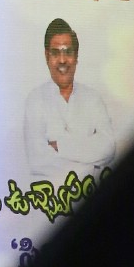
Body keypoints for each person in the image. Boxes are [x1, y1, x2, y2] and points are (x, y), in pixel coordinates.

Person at [23, 17, 116, 171]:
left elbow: (108, 148)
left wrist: (59, 145)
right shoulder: (35, 100)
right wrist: (89, 157)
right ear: (47, 57)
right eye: (55, 53)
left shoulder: (92, 99)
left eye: (68, 52)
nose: (62, 60)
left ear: (76, 56)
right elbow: (37, 159)